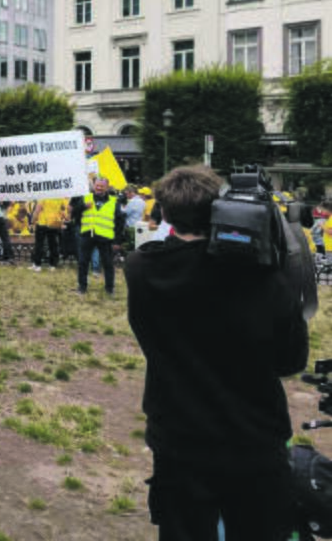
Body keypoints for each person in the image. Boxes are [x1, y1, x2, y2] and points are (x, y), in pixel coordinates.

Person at [125, 165, 309, 540]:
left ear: (164, 214)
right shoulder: (262, 278)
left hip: (178, 438)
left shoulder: (142, 270)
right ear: (220, 211)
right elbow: (291, 360)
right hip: (253, 440)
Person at [76, 177, 123, 296]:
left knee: (108, 264)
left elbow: (120, 222)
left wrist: (117, 241)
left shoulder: (114, 201)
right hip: (87, 235)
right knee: (83, 262)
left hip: (105, 237)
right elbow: (74, 213)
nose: (99, 188)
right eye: (97, 185)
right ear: (94, 186)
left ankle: (109, 289)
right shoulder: (86, 198)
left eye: (102, 186)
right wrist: (82, 207)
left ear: (107, 187)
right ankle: (82, 287)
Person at [29, 197, 67, 272]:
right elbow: (65, 208)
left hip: (42, 223)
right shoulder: (60, 197)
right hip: (53, 223)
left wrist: (32, 221)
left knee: (39, 244)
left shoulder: (44, 196)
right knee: (53, 244)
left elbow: (37, 210)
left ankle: (37, 265)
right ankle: (53, 265)